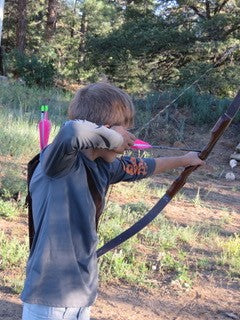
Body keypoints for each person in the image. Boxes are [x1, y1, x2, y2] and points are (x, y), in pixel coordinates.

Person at [21, 82, 204, 320]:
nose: (129, 139)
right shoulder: (59, 162)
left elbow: (145, 166)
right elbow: (72, 131)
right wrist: (114, 139)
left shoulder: (104, 167)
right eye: (125, 131)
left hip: (81, 296)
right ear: (104, 131)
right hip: (49, 299)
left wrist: (184, 160)